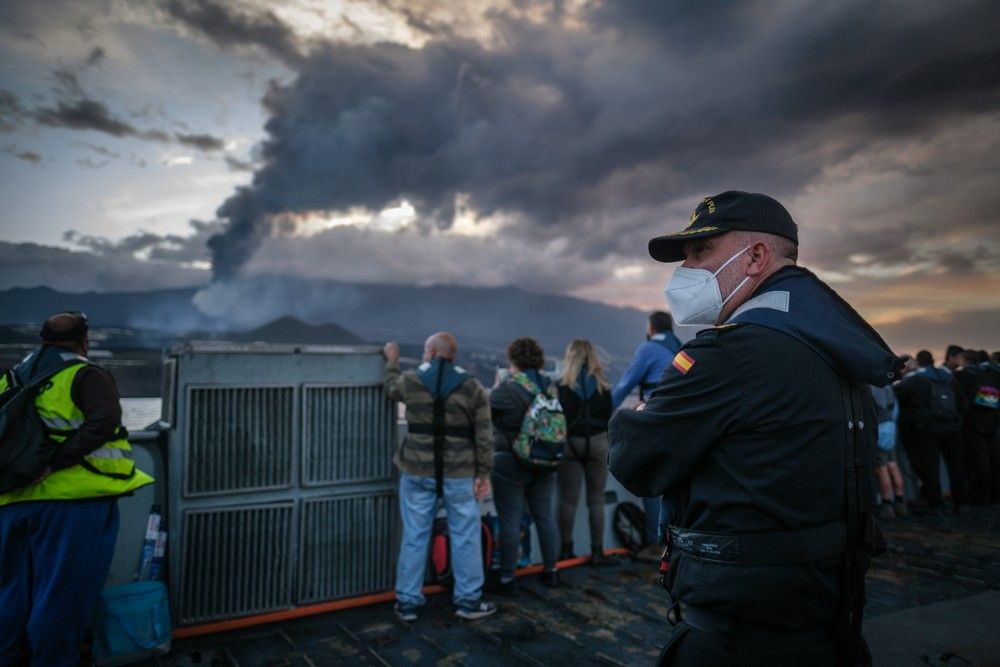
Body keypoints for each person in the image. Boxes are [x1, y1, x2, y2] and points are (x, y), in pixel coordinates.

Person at [608, 191, 901, 665]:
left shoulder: (727, 355)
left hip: (738, 637)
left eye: (701, 251)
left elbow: (635, 461)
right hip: (828, 620)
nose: (686, 268)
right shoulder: (834, 348)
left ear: (756, 257)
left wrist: (636, 417)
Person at [0, 312, 155, 666]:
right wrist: (54, 463)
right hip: (72, 505)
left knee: (12, 596)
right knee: (61, 600)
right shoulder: (86, 374)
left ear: (43, 339)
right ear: (84, 340)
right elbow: (104, 421)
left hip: (12, 503)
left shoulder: (12, 378)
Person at [382, 333, 496, 621]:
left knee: (415, 535)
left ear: (431, 351)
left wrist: (392, 362)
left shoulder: (411, 379)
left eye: (424, 350)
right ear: (452, 354)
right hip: (460, 471)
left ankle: (407, 602)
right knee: (465, 536)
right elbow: (484, 435)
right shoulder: (471, 386)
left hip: (417, 470)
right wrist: (483, 473)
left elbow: (390, 388)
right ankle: (468, 601)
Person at [489, 337, 562, 596]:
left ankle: (508, 578)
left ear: (513, 361)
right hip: (547, 460)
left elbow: (486, 411)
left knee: (510, 519)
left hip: (512, 460)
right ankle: (551, 571)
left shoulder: (509, 388)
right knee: (544, 516)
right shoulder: (550, 386)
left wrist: (498, 386)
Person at [611, 311, 681, 557]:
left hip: (657, 419)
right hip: (682, 421)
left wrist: (601, 409)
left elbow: (625, 385)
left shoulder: (648, 349)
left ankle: (655, 541)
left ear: (651, 328)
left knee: (650, 478)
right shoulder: (680, 348)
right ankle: (674, 541)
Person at [555, 339, 618, 566]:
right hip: (598, 442)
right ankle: (597, 552)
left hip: (570, 444)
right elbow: (609, 416)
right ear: (592, 356)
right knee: (596, 500)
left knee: (567, 501)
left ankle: (565, 551)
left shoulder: (562, 385)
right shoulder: (602, 385)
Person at [896, 350, 969, 511]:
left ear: (919, 362)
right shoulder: (949, 377)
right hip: (952, 428)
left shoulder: (915, 379)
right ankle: (961, 501)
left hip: (929, 429)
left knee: (931, 467)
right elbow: (962, 403)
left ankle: (935, 501)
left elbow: (896, 394)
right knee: (956, 464)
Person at [955, 349, 1000, 504]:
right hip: (993, 418)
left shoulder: (965, 375)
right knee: (994, 456)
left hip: (974, 421)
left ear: (964, 360)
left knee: (980, 459)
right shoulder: (993, 372)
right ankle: (995, 494)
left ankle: (981, 494)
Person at [871, 384, 907, 519]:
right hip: (890, 429)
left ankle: (887, 505)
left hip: (879, 430)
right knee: (893, 463)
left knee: (882, 468)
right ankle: (900, 501)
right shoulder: (888, 385)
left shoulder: (871, 386)